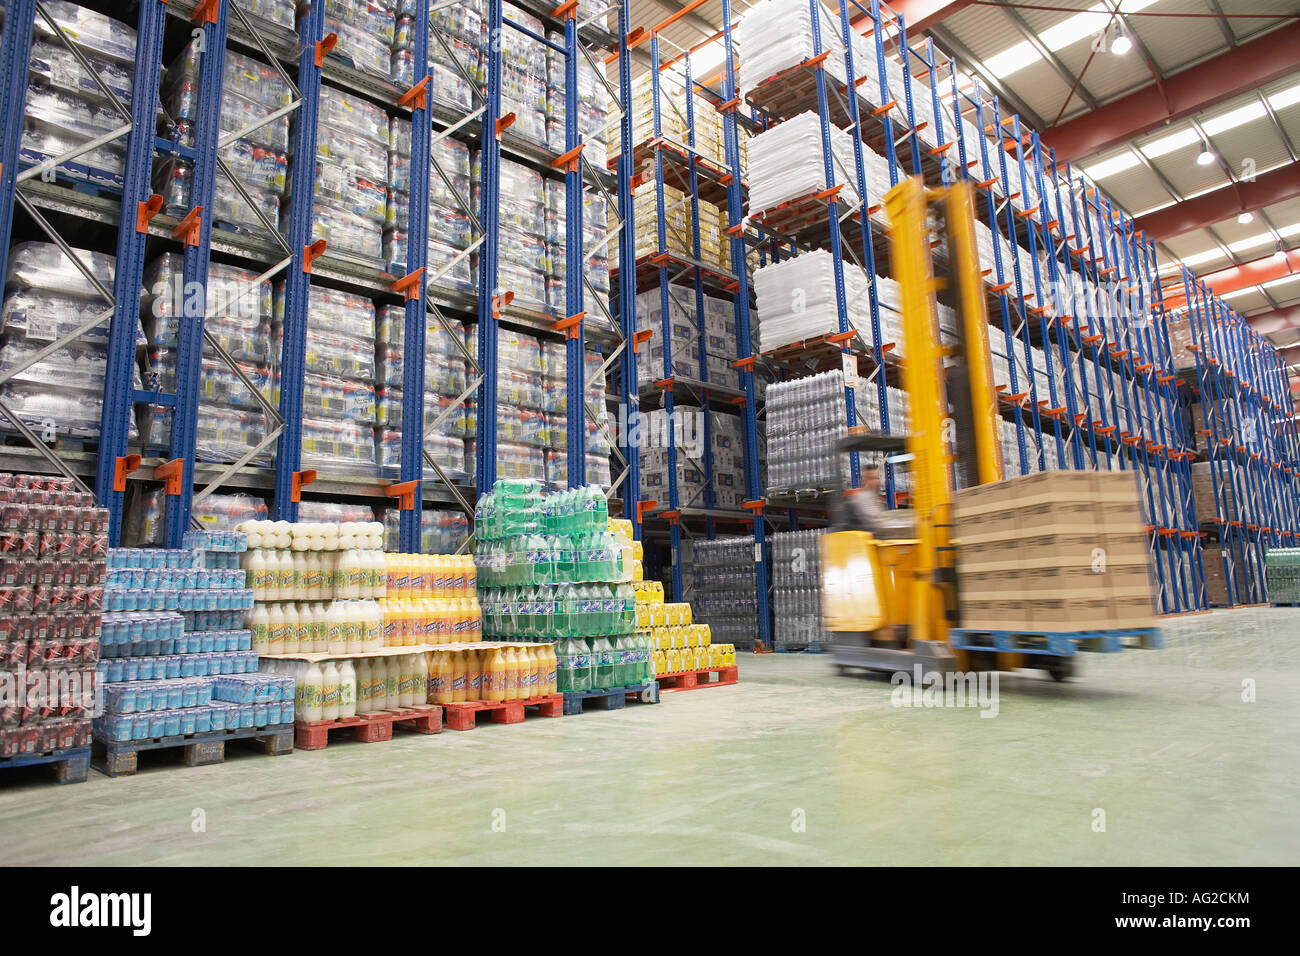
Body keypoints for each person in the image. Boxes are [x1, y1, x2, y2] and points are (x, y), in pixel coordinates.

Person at [843, 463, 915, 538]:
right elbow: (877, 523)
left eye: (877, 478)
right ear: (863, 480)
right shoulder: (861, 498)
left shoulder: (873, 496)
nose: (876, 482)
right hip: (872, 540)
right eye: (871, 478)